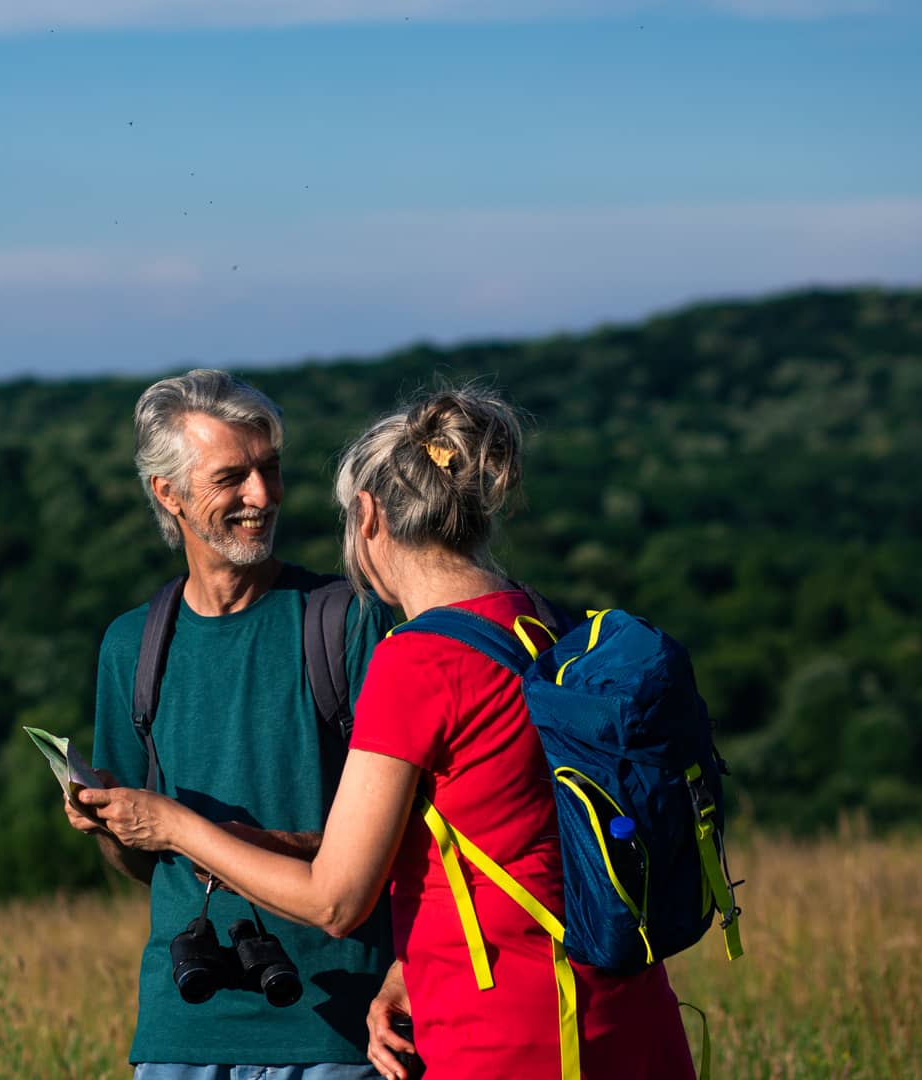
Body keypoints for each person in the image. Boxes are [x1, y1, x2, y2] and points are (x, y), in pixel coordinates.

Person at [82, 384, 697, 1080]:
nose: (264, 494)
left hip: (502, 1030)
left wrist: (171, 826)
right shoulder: (538, 623)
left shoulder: (415, 659)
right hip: (619, 1013)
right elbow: (505, 835)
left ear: (370, 516)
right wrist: (409, 964)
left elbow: (336, 901)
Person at [63, 369, 397, 1079]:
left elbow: (401, 843)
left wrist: (206, 835)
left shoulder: (347, 622)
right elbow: (146, 867)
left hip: (339, 1031)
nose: (263, 496)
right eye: (232, 477)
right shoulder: (132, 645)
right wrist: (111, 827)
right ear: (168, 493)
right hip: (182, 1029)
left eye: (270, 469)